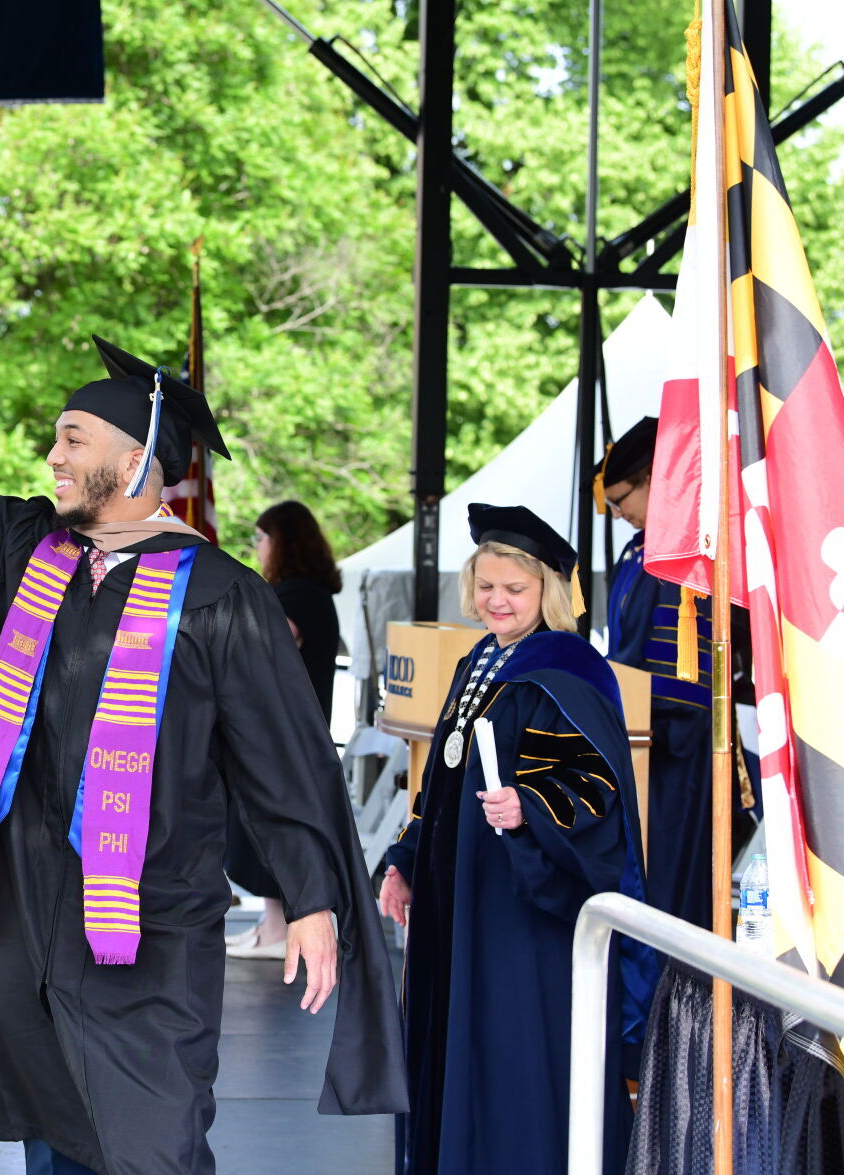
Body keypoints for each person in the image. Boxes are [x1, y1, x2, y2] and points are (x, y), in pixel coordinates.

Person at [0, 263, 405, 1175]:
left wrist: (315, 895)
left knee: (151, 1151)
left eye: (73, 438)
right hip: (24, 925)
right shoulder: (22, 550)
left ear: (137, 460)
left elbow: (282, 762)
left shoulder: (220, 597)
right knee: (51, 1147)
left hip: (148, 938)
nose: (52, 457)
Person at [379, 503, 658, 1175]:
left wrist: (531, 806)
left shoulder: (566, 669)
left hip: (522, 910)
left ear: (548, 593)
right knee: (463, 1044)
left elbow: (596, 789)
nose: (495, 600)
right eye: (485, 585)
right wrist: (405, 860)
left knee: (514, 1050)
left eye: (514, 588)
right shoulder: (480, 658)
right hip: (461, 898)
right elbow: (441, 781)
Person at [595, 416, 715, 928]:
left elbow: (680, 671)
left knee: (670, 880)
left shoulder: (685, 552)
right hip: (637, 732)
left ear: (652, 479)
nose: (616, 513)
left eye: (621, 499)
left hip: (674, 740)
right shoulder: (637, 550)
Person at [227, 500, 343, 961]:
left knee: (271, 824)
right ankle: (271, 924)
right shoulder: (309, 591)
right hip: (288, 732)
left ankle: (279, 929)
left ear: (283, 542)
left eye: (261, 538)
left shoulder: (297, 595)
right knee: (263, 823)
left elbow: (260, 649)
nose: (256, 547)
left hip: (285, 734)